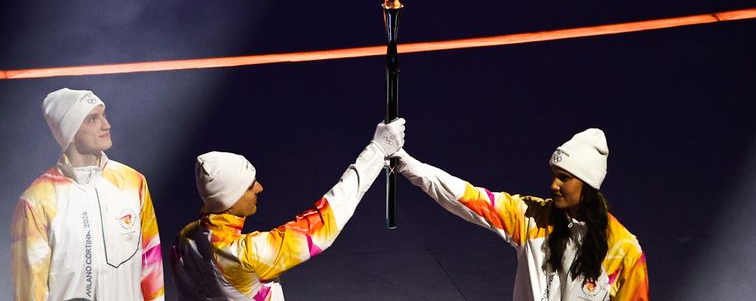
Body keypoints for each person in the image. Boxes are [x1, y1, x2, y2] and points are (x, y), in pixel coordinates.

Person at [396, 128, 649, 300]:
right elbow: (466, 196)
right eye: (554, 176)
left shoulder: (624, 249)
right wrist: (407, 164)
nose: (554, 185)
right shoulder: (531, 219)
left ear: (588, 185)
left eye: (564, 178)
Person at [170, 118, 406, 300]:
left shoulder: (184, 240)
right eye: (250, 186)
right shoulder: (245, 256)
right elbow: (324, 221)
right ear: (230, 197)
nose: (260, 188)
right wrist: (377, 151)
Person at [11, 88, 165, 300]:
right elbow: (29, 291)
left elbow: (152, 267)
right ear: (70, 132)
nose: (106, 125)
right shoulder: (37, 201)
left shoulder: (133, 182)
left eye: (104, 115)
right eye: (93, 119)